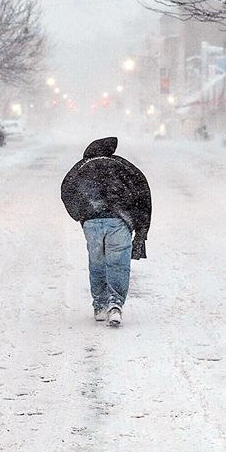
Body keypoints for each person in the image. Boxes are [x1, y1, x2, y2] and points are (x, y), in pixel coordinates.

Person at [61, 137, 151, 327]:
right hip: (119, 221)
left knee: (97, 263)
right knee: (118, 264)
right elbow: (143, 192)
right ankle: (115, 306)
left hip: (92, 222)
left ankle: (100, 305)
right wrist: (140, 228)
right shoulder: (122, 165)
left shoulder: (83, 166)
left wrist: (80, 215)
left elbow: (66, 190)